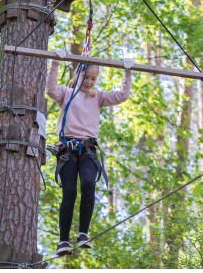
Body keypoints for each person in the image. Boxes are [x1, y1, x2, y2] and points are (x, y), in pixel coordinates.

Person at [46, 49, 134, 256]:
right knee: (69, 192)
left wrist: (127, 73)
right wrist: (55, 63)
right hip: (67, 150)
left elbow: (122, 96)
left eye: (94, 78)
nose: (90, 82)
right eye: (86, 77)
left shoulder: (98, 97)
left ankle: (83, 233)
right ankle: (63, 241)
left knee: (87, 184)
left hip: (88, 149)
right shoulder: (66, 94)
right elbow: (50, 90)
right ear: (77, 74)